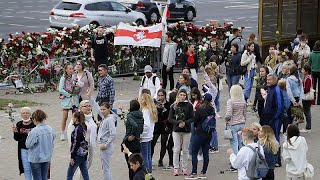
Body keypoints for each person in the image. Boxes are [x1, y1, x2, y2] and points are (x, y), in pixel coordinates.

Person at [185, 93, 215, 180]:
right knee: (206, 153)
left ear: (203, 99)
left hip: (199, 133)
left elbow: (194, 120)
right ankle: (203, 172)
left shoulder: (200, 109)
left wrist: (185, 122)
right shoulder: (212, 109)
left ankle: (194, 172)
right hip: (208, 134)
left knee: (194, 153)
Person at [89, 92, 117, 180]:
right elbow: (97, 108)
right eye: (102, 109)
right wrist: (90, 97)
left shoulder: (109, 120)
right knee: (105, 168)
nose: (102, 111)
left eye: (104, 109)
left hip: (105, 146)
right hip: (104, 145)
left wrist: (106, 145)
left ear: (109, 109)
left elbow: (113, 134)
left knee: (106, 169)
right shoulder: (106, 117)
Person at [67, 100, 97, 180]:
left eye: (89, 105)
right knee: (72, 173)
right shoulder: (77, 119)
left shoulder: (91, 116)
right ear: (80, 108)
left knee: (87, 167)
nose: (88, 107)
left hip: (88, 146)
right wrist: (72, 154)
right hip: (78, 150)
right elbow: (72, 138)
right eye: (85, 106)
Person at [168, 89, 194, 176]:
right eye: (181, 95)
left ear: (186, 96)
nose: (182, 97)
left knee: (185, 150)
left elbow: (192, 117)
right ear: (178, 95)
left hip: (186, 130)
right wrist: (178, 123)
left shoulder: (189, 105)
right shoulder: (174, 105)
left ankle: (185, 168)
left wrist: (185, 123)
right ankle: (176, 168)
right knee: (176, 149)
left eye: (184, 95)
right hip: (177, 130)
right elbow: (170, 118)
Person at [26, 109, 55, 180]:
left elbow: (28, 145)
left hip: (36, 158)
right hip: (47, 157)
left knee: (37, 178)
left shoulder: (34, 131)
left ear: (34, 119)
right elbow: (53, 138)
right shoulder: (50, 128)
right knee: (44, 177)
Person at [122, 100, 144, 180]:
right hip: (137, 140)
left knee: (131, 165)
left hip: (130, 141)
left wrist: (132, 134)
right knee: (137, 163)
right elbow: (141, 127)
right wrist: (137, 134)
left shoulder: (130, 115)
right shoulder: (140, 114)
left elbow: (134, 125)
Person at [13, 107, 35, 180]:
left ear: (30, 114)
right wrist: (15, 132)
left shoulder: (34, 124)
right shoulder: (19, 124)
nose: (25, 115)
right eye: (23, 113)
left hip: (33, 149)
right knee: (26, 168)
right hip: (23, 149)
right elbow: (16, 139)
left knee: (34, 167)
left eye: (27, 113)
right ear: (21, 115)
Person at [59, 63, 80, 141]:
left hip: (75, 99)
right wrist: (69, 95)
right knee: (65, 117)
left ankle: (74, 132)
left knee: (75, 116)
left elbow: (77, 87)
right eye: (70, 69)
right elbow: (60, 89)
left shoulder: (75, 77)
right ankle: (62, 133)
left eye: (72, 68)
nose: (71, 70)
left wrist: (78, 88)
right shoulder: (63, 78)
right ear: (66, 69)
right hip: (67, 99)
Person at [66, 112, 90, 180]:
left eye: (73, 117)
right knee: (85, 174)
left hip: (77, 155)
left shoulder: (77, 129)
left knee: (69, 175)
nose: (72, 119)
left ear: (76, 119)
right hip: (84, 154)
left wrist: (72, 156)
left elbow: (75, 144)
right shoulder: (83, 126)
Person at [151, 89, 171, 167]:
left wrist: (163, 108)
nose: (160, 97)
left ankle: (161, 159)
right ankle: (150, 158)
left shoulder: (168, 104)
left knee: (163, 143)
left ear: (165, 96)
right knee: (153, 143)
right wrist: (156, 108)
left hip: (164, 125)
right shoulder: (155, 103)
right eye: (159, 95)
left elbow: (169, 115)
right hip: (156, 125)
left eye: (162, 95)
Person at [225, 85, 247, 157]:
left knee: (234, 142)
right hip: (242, 123)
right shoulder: (243, 101)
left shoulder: (230, 101)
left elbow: (229, 114)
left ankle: (236, 159)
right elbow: (245, 113)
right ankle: (243, 157)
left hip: (233, 124)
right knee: (241, 142)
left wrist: (226, 120)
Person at [261, 73, 283, 143]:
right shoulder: (270, 89)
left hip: (275, 119)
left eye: (269, 80)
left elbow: (279, 107)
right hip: (268, 117)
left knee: (275, 137)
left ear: (275, 80)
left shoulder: (277, 90)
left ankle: (277, 152)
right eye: (267, 79)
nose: (267, 81)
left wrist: (274, 118)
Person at [139, 93, 158, 173]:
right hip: (149, 136)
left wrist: (141, 134)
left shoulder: (145, 111)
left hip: (145, 137)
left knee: (144, 157)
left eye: (142, 99)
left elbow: (146, 125)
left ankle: (146, 174)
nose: (140, 101)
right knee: (148, 156)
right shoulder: (150, 110)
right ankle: (149, 173)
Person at [188, 88, 203, 160]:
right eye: (192, 95)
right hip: (192, 120)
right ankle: (190, 152)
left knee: (199, 137)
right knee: (192, 138)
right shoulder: (191, 101)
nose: (193, 96)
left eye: (194, 95)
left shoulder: (201, 101)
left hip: (199, 121)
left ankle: (200, 153)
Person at [300, 64, 314, 133]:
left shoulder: (308, 78)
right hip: (306, 97)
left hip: (307, 98)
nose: (302, 71)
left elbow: (307, 89)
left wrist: (302, 90)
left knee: (307, 112)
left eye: (303, 70)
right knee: (306, 111)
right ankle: (308, 126)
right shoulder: (306, 77)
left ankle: (308, 127)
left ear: (306, 71)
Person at [307, 40, 320, 104]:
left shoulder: (311, 54)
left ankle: (313, 100)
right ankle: (319, 101)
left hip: (313, 71)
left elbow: (309, 63)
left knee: (313, 86)